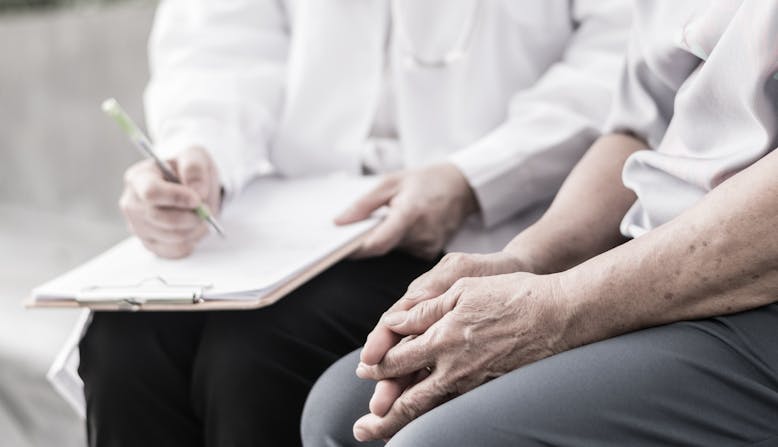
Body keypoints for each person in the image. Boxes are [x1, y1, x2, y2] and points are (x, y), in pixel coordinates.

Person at [60, 1, 631, 446]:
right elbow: (222, 42)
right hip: (289, 215)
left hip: (494, 217)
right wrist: (200, 151)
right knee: (125, 338)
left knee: (258, 354)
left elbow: (619, 55)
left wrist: (474, 176)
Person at [301, 1, 778, 445]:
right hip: (652, 257)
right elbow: (640, 130)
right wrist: (530, 260)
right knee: (341, 412)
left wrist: (559, 307)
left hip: (758, 296)